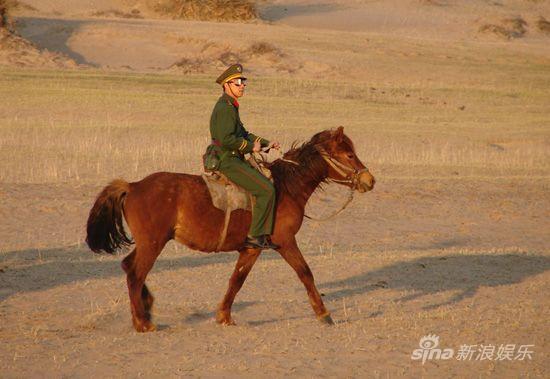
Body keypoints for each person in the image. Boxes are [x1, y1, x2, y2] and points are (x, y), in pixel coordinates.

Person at [209, 63, 280, 250]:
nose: (242, 85)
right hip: (227, 160)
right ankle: (255, 237)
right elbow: (226, 139)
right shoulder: (225, 107)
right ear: (226, 85)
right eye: (238, 82)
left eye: (243, 82)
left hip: (234, 157)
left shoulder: (231, 106)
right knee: (267, 190)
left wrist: (266, 143)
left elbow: (244, 133)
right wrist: (251, 148)